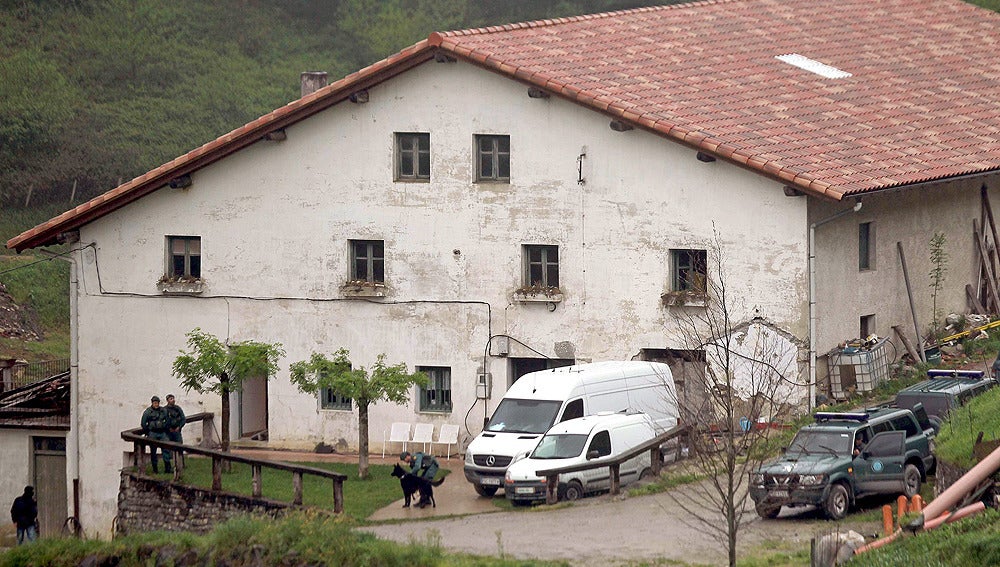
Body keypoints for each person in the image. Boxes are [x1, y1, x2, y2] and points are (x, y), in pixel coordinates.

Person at [140, 395, 172, 473]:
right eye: (154, 403)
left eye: (157, 403)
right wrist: (147, 432)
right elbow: (143, 423)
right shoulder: (148, 411)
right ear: (152, 403)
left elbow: (168, 420)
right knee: (153, 452)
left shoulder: (163, 410)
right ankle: (155, 469)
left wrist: (165, 428)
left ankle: (168, 469)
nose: (156, 404)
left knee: (166, 450)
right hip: (153, 433)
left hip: (162, 433)